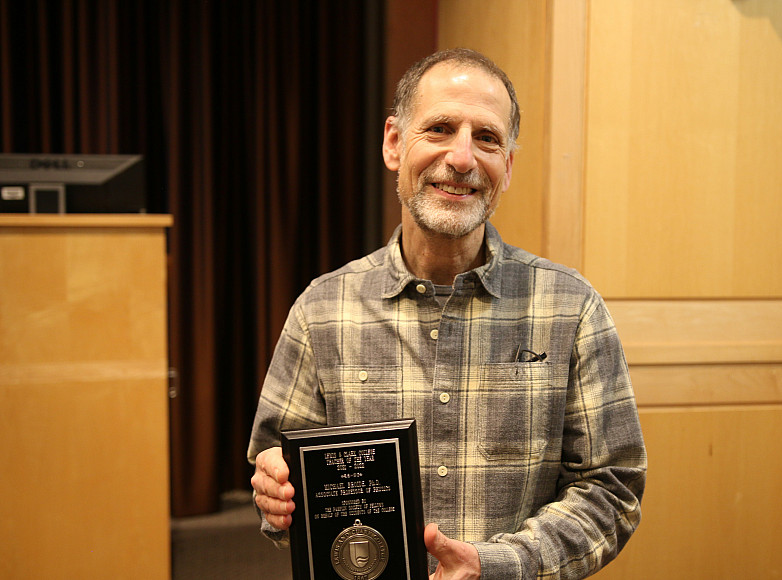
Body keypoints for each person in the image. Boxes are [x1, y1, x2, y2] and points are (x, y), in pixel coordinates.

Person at [248, 47, 646, 579]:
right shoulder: (321, 309)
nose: (462, 159)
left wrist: (496, 566)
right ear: (394, 143)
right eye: (439, 129)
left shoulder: (571, 308)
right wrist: (273, 490)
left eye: (486, 138)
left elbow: (612, 489)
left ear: (507, 167)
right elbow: (275, 461)